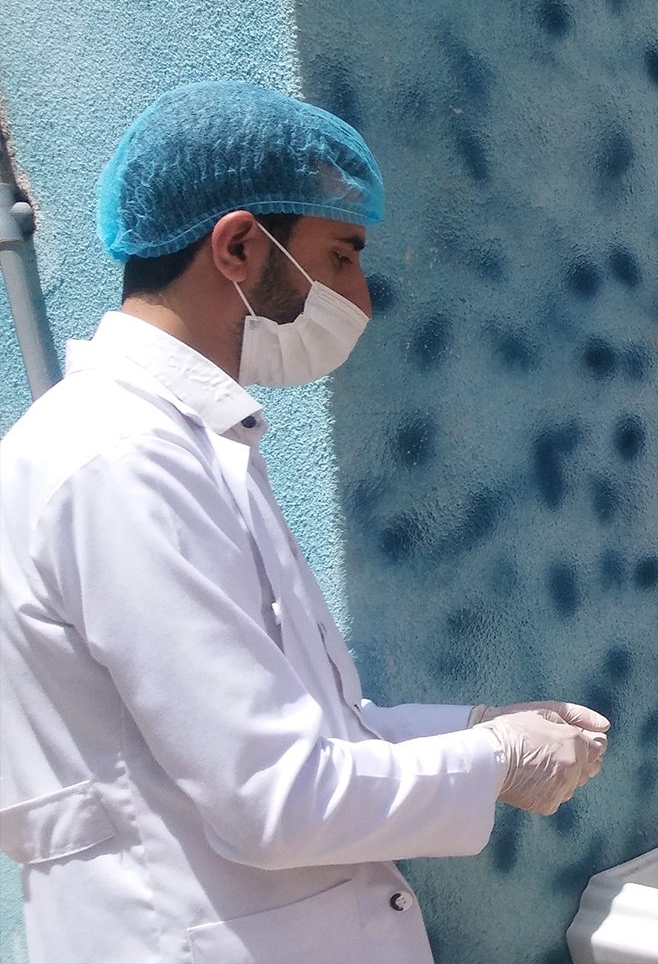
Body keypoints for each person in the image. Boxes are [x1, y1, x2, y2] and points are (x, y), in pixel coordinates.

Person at [0, 81, 610, 963]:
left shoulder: (189, 445)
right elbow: (273, 795)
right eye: (341, 255)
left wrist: (475, 724)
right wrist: (494, 761)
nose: (361, 294)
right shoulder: (120, 463)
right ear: (240, 247)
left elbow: (314, 734)